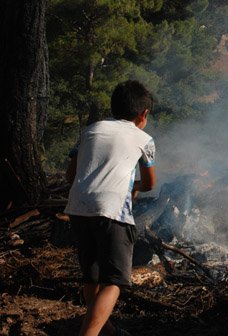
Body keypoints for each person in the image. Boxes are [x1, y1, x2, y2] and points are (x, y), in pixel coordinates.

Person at [65, 80, 156, 336]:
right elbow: (149, 184)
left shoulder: (89, 130)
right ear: (143, 114)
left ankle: (107, 330)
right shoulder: (144, 139)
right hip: (113, 211)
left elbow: (69, 176)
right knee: (114, 282)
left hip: (78, 209)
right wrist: (131, 187)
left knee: (91, 277)